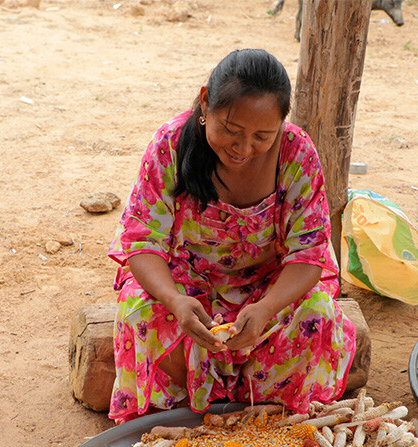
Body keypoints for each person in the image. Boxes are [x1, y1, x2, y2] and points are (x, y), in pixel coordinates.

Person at [107, 48, 356, 424]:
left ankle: (258, 408)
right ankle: (189, 407)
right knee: (139, 310)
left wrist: (266, 308)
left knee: (316, 314)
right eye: (230, 130)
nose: (243, 149)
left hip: (268, 288)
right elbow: (142, 242)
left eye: (262, 136)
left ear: (281, 126)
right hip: (187, 287)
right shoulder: (171, 143)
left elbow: (308, 257)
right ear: (206, 102)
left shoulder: (297, 153)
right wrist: (175, 300)